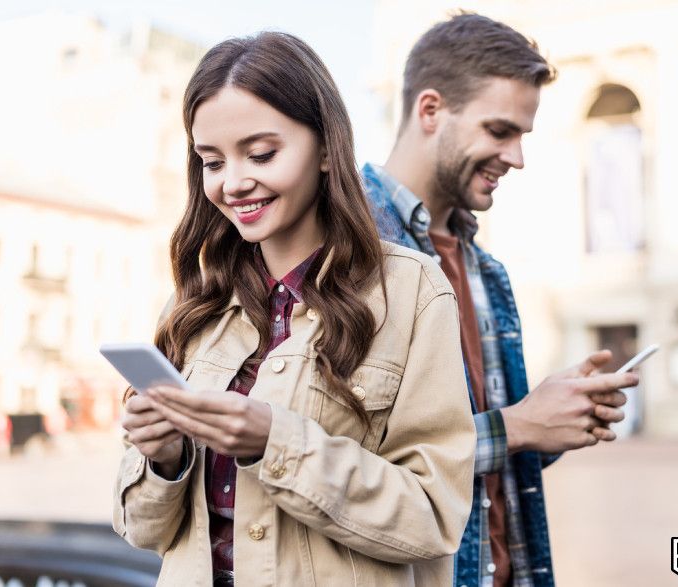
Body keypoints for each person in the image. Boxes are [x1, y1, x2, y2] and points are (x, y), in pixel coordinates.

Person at [113, 32, 476, 587]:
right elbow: (141, 530)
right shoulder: (193, 304)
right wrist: (163, 458)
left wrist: (275, 443)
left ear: (327, 149)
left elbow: (434, 517)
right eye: (211, 161)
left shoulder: (414, 291)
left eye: (261, 154)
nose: (234, 183)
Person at [363, 13, 637, 587]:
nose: (516, 158)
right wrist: (517, 425)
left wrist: (554, 416)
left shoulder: (484, 265)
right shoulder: (353, 248)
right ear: (430, 110)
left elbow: (486, 459)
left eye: (522, 136)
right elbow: (353, 463)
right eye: (499, 131)